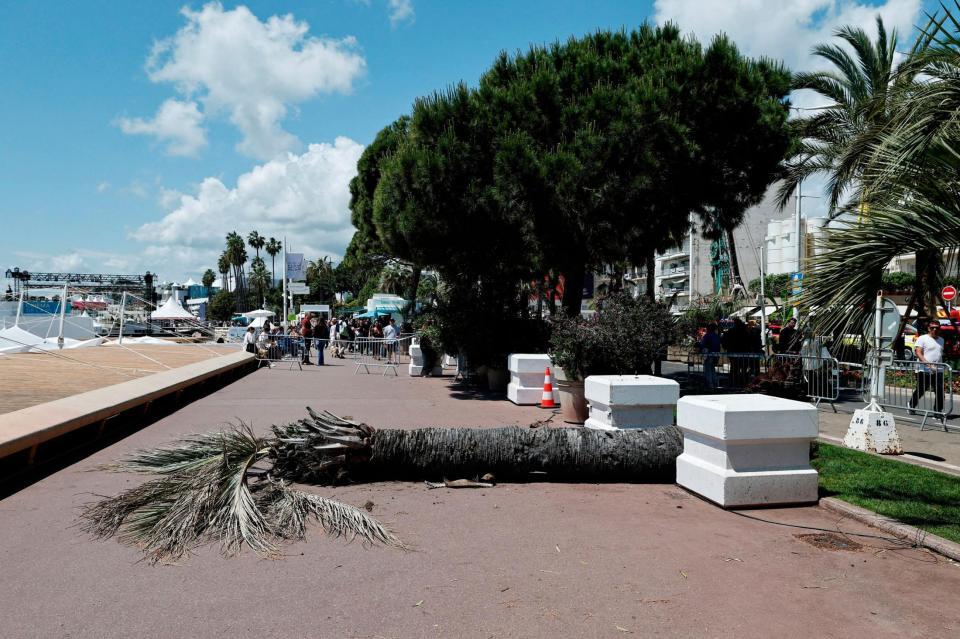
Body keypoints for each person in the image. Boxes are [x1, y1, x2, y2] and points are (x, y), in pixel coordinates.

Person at [911, 321, 945, 414]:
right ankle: (911, 405)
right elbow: (918, 352)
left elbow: (939, 354)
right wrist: (928, 365)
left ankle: (937, 412)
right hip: (924, 369)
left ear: (939, 329)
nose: (935, 329)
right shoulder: (922, 338)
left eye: (937, 328)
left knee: (940, 392)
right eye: (932, 327)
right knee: (921, 390)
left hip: (938, 370)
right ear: (928, 328)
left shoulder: (941, 340)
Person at [699, 323, 722, 389]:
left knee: (708, 369)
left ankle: (710, 383)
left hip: (709, 354)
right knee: (712, 368)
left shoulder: (707, 335)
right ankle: (715, 382)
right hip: (715, 354)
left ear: (709, 329)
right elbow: (718, 346)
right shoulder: (716, 336)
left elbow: (703, 344)